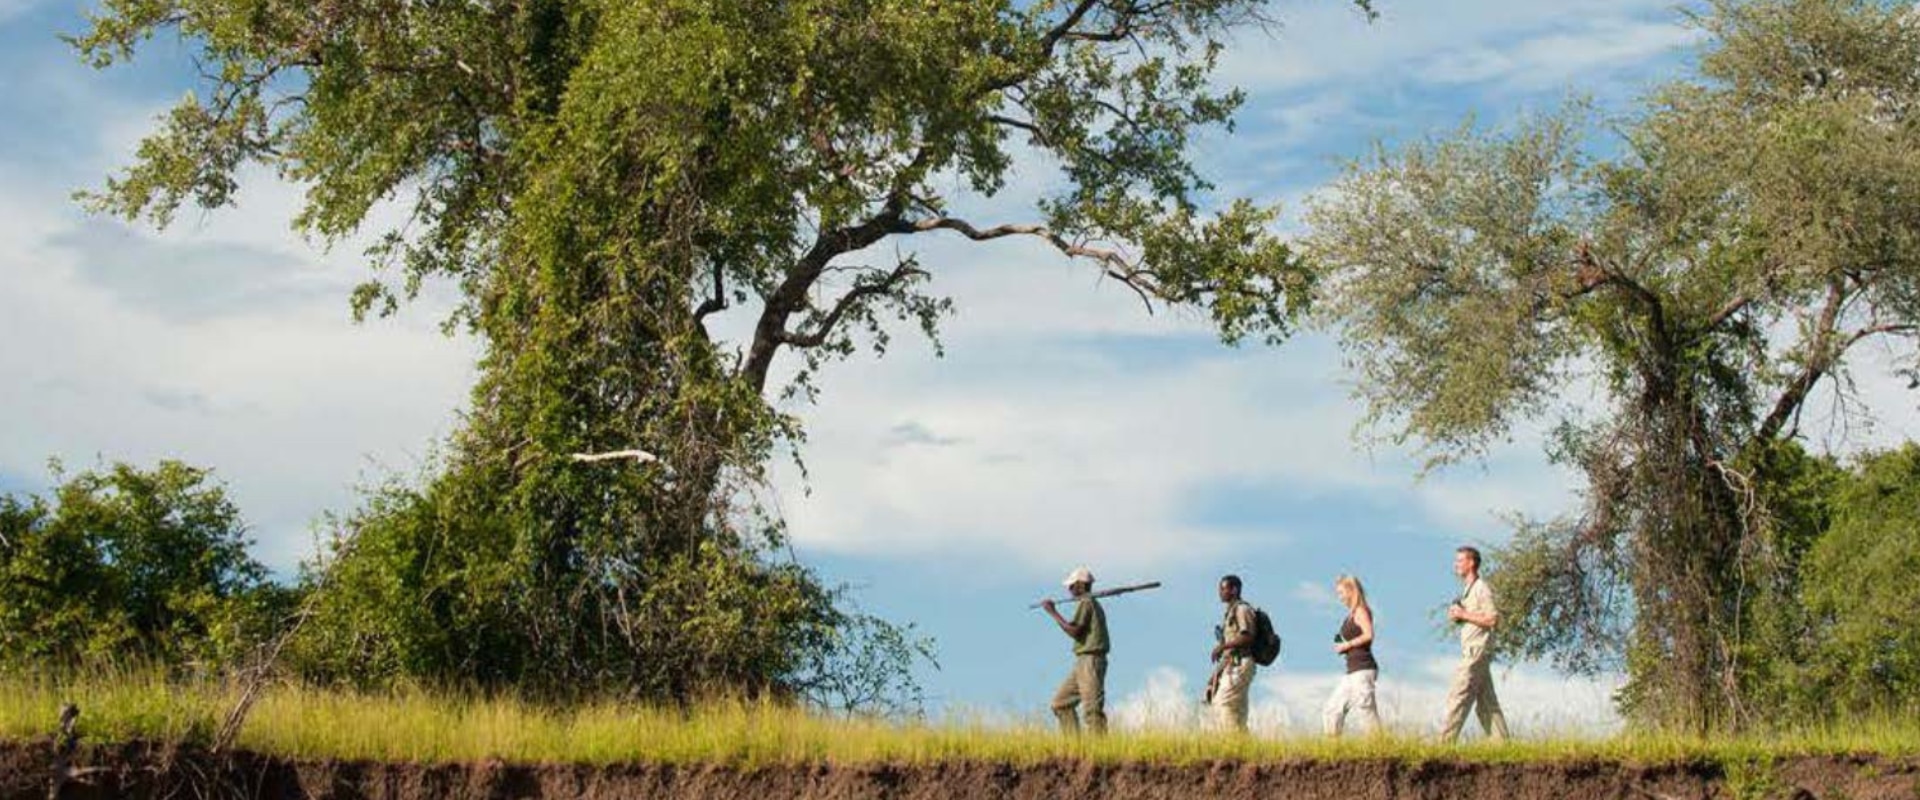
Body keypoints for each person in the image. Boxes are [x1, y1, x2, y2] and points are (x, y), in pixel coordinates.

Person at [1440, 545, 1510, 743]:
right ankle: (1502, 746)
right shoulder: (1468, 591)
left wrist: (1463, 614)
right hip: (1473, 651)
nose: (1456, 565)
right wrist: (1459, 616)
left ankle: (1444, 745)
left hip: (1476, 652)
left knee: (1459, 696)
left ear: (1471, 563)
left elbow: (1492, 619)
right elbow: (1476, 618)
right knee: (1487, 704)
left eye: (1460, 561)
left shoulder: (1481, 588)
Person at [1041, 566, 1109, 735]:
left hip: (1091, 660)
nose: (1069, 589)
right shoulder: (1086, 603)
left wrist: (1053, 613)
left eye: (1071, 585)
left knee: (1092, 709)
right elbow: (1075, 627)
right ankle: (1074, 747)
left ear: (1080, 585)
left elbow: (1074, 631)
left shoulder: (1087, 602)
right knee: (1060, 703)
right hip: (1082, 661)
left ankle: (1099, 752)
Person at [1322, 574, 1382, 737]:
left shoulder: (1361, 610)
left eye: (1341, 593)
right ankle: (1332, 750)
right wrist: (1340, 644)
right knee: (1332, 709)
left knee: (1366, 711)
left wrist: (1347, 644)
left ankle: (1380, 750)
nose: (1339, 597)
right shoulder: (1349, 616)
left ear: (1351, 591)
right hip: (1351, 671)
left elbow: (1369, 635)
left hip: (1363, 668)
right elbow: (1345, 638)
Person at [1207, 574, 1258, 733]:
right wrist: (1214, 676)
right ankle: (1244, 749)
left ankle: (1229, 743)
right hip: (1233, 665)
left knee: (1222, 704)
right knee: (1237, 713)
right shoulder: (1230, 612)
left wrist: (1222, 647)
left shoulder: (1242, 609)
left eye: (1223, 588)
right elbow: (1229, 652)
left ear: (1234, 590)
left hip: (1241, 664)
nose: (1220, 592)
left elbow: (1248, 636)